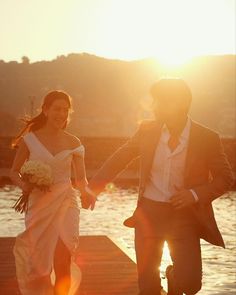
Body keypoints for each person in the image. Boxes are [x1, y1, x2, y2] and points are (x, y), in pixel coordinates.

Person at [84, 78, 234, 295]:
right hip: (148, 214)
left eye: (160, 101)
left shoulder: (206, 137)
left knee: (191, 285)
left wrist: (194, 194)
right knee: (148, 285)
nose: (154, 106)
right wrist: (92, 188)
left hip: (184, 217)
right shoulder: (147, 130)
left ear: (180, 103)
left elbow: (225, 178)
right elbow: (121, 157)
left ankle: (173, 276)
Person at [10, 90, 96, 295]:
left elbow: (81, 179)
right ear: (46, 110)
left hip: (67, 202)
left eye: (65, 110)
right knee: (40, 266)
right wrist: (26, 186)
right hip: (39, 204)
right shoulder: (30, 139)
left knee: (63, 257)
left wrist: (87, 192)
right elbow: (14, 172)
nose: (61, 114)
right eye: (57, 109)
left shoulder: (74, 143)